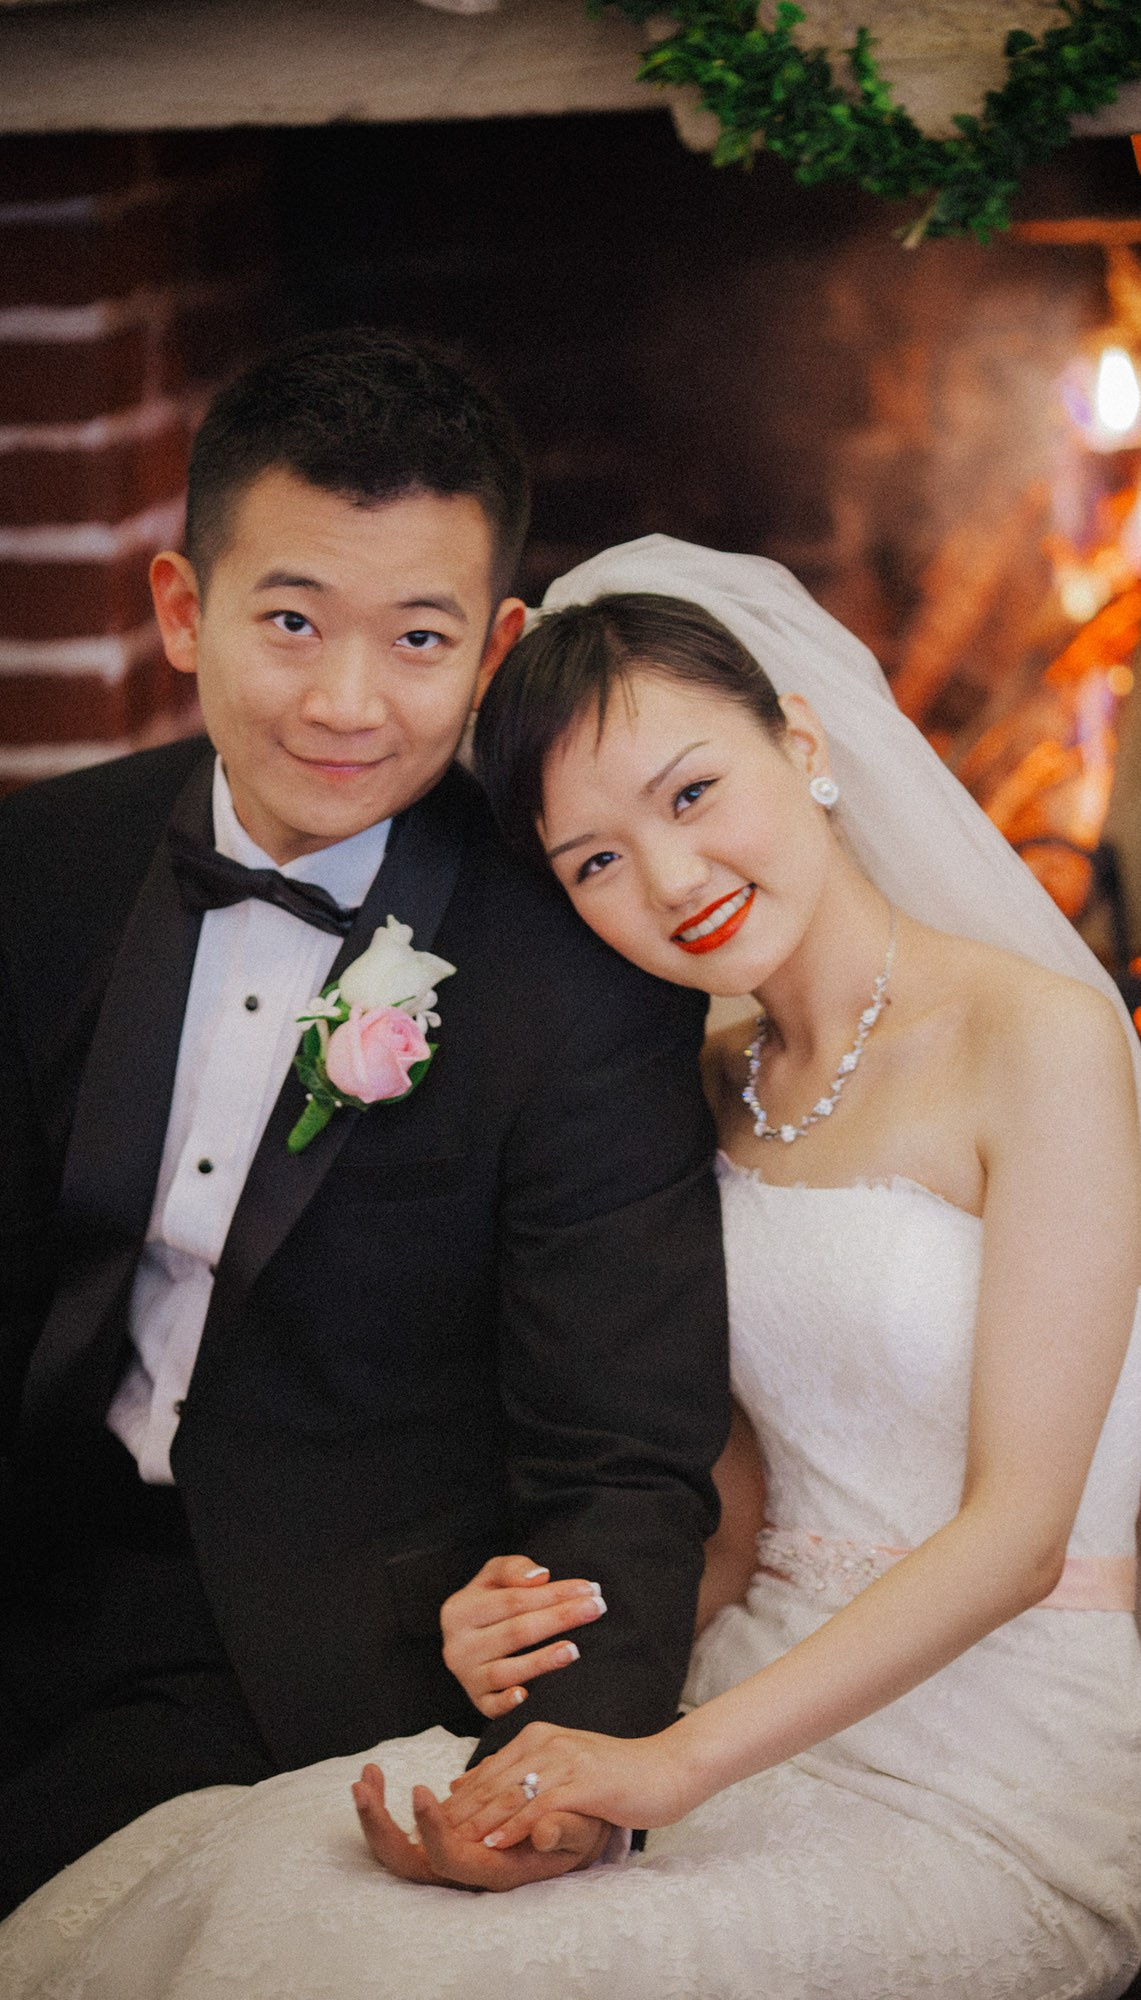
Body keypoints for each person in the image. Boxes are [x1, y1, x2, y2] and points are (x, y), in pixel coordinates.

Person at [4, 539, 1141, 2000]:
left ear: (801, 741)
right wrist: (513, 1637)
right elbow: (728, 1511)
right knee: (267, 1893)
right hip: (732, 1702)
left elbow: (1020, 1538)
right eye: (594, 861)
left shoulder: (1039, 1042)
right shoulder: (698, 1086)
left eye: (691, 794)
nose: (671, 879)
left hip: (986, 1773)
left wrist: (671, 1767)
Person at [0, 351, 730, 1919]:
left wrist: (550, 1779)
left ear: (494, 652)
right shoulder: (43, 863)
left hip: (303, 1636)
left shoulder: (576, 976)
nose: (346, 702)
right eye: (290, 623)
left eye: (416, 639)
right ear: (182, 609)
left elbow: (622, 1454)